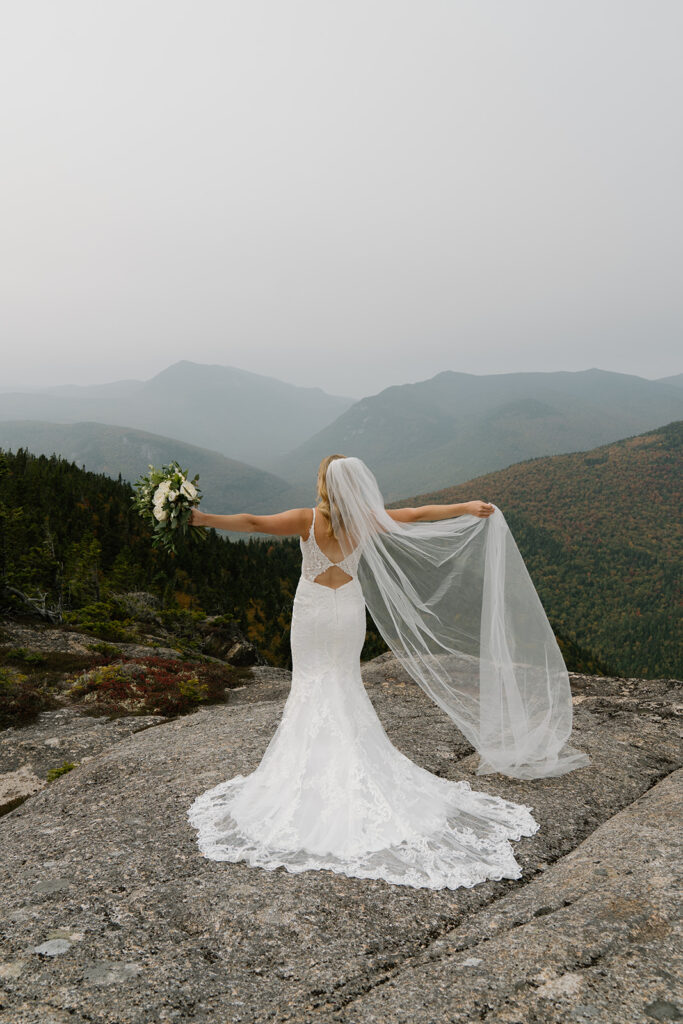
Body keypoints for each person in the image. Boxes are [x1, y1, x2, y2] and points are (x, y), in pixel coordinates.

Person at [186, 454, 588, 890]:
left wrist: (203, 518)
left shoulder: (306, 519)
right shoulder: (365, 520)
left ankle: (309, 771)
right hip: (348, 612)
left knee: (310, 684)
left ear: (323, 483)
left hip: (314, 614)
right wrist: (466, 507)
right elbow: (416, 515)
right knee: (343, 681)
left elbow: (253, 523)